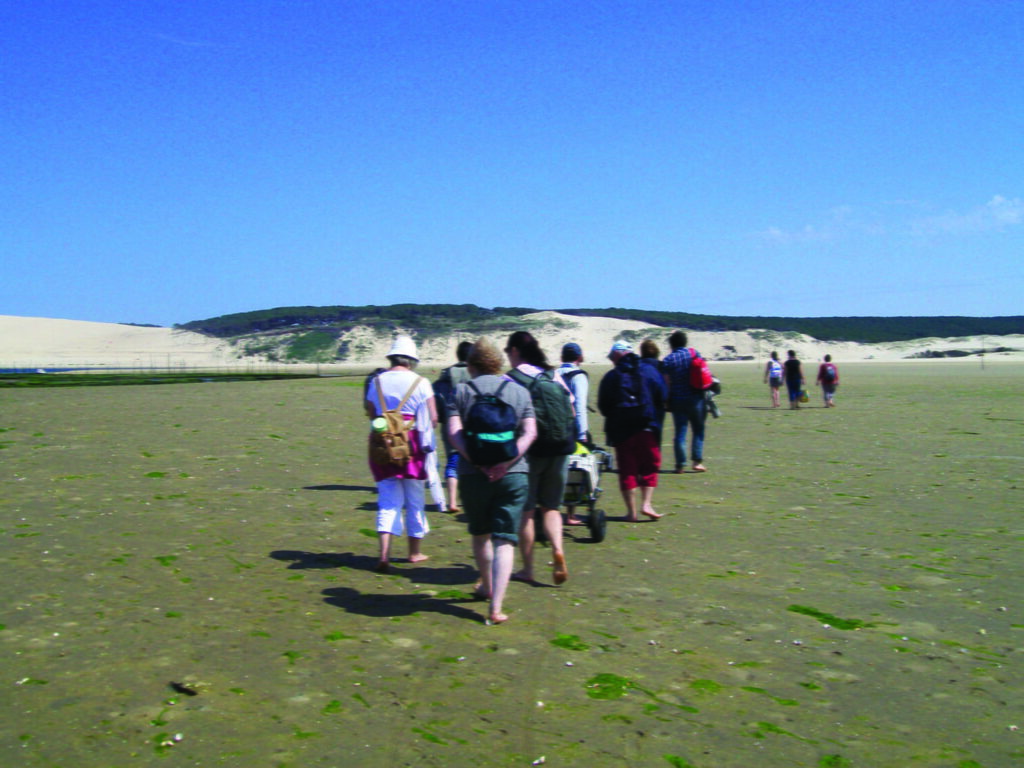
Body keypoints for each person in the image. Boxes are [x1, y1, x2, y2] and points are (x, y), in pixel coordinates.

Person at [447, 338, 537, 625]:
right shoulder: (519, 391)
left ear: (471, 364)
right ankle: (496, 607)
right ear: (498, 362)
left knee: (481, 533)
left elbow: (453, 433)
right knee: (505, 539)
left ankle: (485, 585)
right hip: (513, 474)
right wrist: (505, 463)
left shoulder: (460, 391)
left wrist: (476, 462)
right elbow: (530, 433)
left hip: (473, 475)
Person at [505, 331, 574, 586]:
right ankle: (558, 550)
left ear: (514, 351)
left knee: (527, 511)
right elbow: (572, 407)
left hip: (531, 451)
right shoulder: (552, 374)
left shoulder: (510, 379)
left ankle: (528, 568)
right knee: (552, 508)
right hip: (561, 447)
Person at [364, 335, 437, 573]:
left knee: (387, 499)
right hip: (412, 445)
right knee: (415, 498)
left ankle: (384, 553)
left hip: (382, 443)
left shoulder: (376, 381)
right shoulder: (421, 382)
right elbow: (433, 418)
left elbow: (371, 413)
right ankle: (414, 552)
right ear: (411, 360)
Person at [598, 341, 667, 521]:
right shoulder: (649, 371)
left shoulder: (611, 377)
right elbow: (662, 395)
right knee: (650, 465)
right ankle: (646, 503)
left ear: (616, 357)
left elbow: (603, 406)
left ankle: (631, 512)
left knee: (627, 469)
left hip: (621, 430)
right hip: (647, 425)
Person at [433, 341, 473, 511]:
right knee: (474, 461)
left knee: (453, 461)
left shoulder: (447, 375)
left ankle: (452, 502)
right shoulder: (476, 373)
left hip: (450, 423)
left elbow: (436, 395)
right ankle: (471, 498)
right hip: (473, 423)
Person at [660, 330, 708, 473]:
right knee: (698, 429)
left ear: (671, 345)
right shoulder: (693, 353)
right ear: (685, 342)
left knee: (680, 431)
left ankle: (680, 464)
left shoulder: (668, 360)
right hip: (696, 397)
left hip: (677, 399)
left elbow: (666, 382)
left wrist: (667, 400)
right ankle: (696, 461)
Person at [557, 342, 589, 526]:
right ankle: (570, 514)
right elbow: (580, 406)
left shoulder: (553, 373)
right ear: (579, 357)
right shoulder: (578, 376)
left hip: (553, 428)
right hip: (572, 429)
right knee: (575, 469)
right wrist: (582, 432)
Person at [638, 339, 666, 437]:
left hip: (639, 412)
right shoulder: (660, 367)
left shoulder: (636, 367)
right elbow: (663, 393)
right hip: (656, 413)